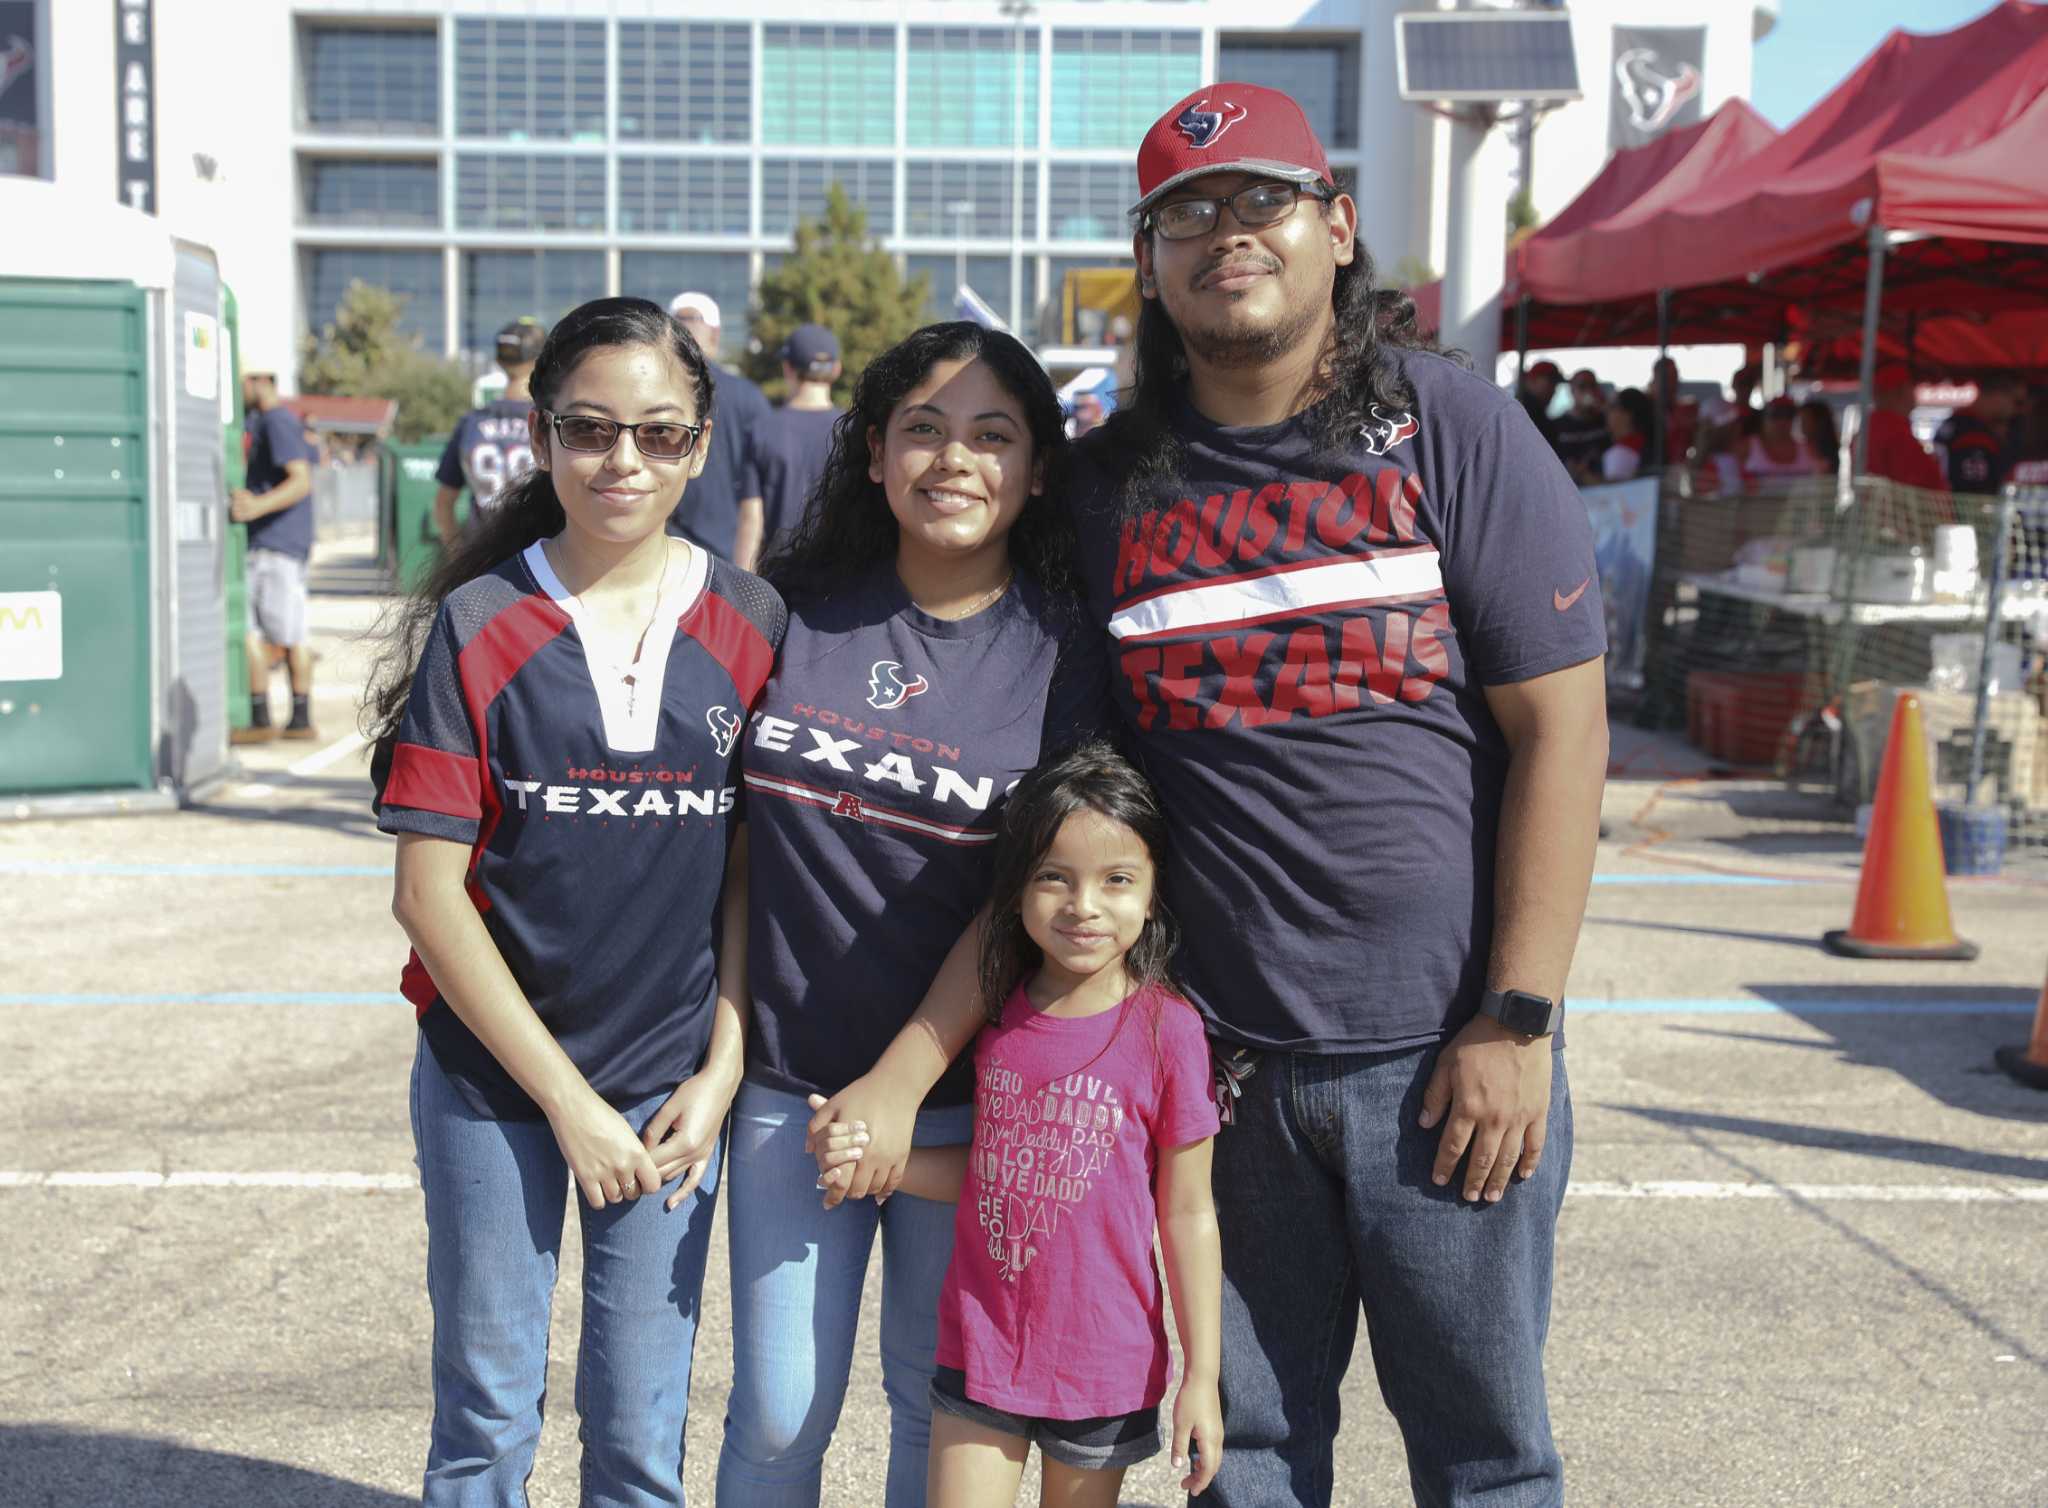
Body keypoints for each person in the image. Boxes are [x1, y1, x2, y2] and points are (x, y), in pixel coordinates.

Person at [812, 81, 1608, 1508]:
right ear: (1154, 258)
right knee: (1237, 1459)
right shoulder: (1116, 486)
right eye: (1185, 215)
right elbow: (1046, 759)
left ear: (1338, 229)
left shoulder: (1453, 431)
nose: (1224, 235)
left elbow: (1563, 730)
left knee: (1487, 1462)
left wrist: (1519, 1015)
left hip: (1437, 1059)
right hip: (1213, 1073)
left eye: (1261, 203)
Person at [365, 297, 786, 1506]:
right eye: (590, 429)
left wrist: (719, 1067)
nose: (623, 460)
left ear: (701, 444)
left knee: (640, 1430)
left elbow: (750, 876)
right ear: (541, 436)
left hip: (666, 1091)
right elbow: (427, 896)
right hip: (492, 1081)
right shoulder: (480, 621)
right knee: (489, 1412)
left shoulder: (751, 622)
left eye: (659, 434)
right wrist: (565, 1101)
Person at [717, 321, 1107, 1507]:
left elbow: (1033, 904)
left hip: (966, 1107)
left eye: (992, 435)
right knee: (779, 1410)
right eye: (924, 430)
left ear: (1037, 468)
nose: (954, 459)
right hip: (789, 1087)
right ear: (875, 452)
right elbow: (732, 846)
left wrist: (901, 1082)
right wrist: (732, 1036)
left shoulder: (1063, 653)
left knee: (929, 1411)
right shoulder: (785, 607)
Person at [814, 744, 1223, 1507]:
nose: (1084, 906)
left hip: (1105, 1362)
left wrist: (1203, 1374)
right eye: (1053, 878)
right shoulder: (998, 1016)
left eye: (1117, 881)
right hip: (983, 1345)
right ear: (1017, 890)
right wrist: (875, 1160)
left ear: (1154, 891)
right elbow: (996, 1166)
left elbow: (1188, 1207)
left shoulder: (1171, 1032)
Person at [228, 371, 319, 744]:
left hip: (275, 545)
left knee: (275, 633)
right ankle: (284, 717)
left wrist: (256, 506)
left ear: (259, 379)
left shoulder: (277, 420)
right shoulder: (268, 421)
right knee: (274, 632)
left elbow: (301, 480)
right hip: (277, 544)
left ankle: (282, 718)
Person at [668, 291, 774, 568]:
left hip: (661, 544)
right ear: (715, 335)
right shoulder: (748, 397)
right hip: (730, 549)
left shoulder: (656, 392)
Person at [432, 316, 545, 542]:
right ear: (542, 361)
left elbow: (443, 504)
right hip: (539, 554)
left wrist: (459, 560)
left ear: (500, 360)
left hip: (483, 556)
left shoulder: (471, 422)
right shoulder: (549, 420)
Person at [751, 322, 843, 557]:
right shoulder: (854, 429)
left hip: (779, 577)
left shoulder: (763, 429)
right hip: (843, 573)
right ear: (836, 369)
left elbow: (751, 517)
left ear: (788, 368)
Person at [1935, 372, 2023, 496]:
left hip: (1940, 503)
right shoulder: (1974, 432)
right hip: (1960, 509)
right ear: (1997, 396)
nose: (2016, 410)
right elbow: (1975, 492)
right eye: (2017, 402)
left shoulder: (1956, 422)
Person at [1741, 395, 1824, 482]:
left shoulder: (1808, 449)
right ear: (1764, 418)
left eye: (1789, 415)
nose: (1782, 421)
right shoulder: (1747, 447)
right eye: (1775, 414)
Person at [1551, 367, 1610, 475]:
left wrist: (1606, 410)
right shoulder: (1557, 425)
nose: (1589, 391)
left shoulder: (1604, 420)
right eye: (1582, 386)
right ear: (1572, 391)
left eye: (1593, 386)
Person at [1592, 386, 1654, 482]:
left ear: (1627, 415)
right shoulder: (1648, 445)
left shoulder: (1619, 454)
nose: (1607, 412)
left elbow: (1613, 492)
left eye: (1613, 407)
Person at [1516, 359, 1563, 449]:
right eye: (1550, 383)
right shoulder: (1525, 411)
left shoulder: (1535, 411)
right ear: (1531, 381)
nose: (1554, 390)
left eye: (1555, 384)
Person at [1797, 398, 1841, 481]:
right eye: (1801, 420)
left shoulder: (1827, 451)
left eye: (1805, 420)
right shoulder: (1799, 447)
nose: (1802, 424)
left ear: (1819, 422)